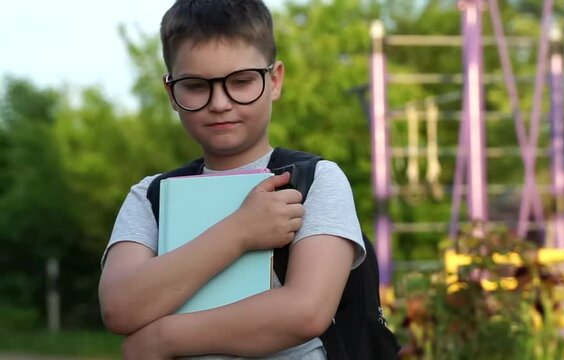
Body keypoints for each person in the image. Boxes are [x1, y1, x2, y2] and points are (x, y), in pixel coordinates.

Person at [98, 0, 366, 359]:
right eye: (195, 85)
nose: (220, 102)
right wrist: (240, 231)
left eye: (240, 82)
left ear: (274, 80)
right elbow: (119, 307)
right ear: (171, 93)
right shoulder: (151, 196)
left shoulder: (315, 180)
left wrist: (162, 337)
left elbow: (306, 311)